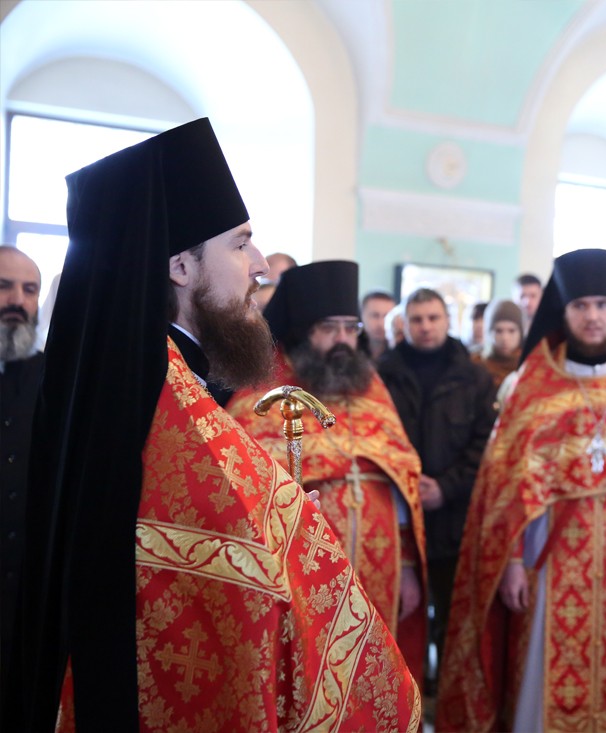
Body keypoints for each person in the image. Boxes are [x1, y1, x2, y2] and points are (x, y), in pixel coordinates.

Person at [13, 119, 419, 731]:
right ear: (180, 266)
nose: (259, 265)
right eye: (240, 243)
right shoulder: (157, 391)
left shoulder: (162, 376)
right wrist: (289, 522)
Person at [437, 249, 606, 732]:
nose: (593, 317)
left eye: (602, 305)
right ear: (563, 311)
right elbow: (505, 488)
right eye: (581, 306)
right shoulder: (533, 384)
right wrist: (510, 562)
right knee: (543, 666)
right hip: (547, 555)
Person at [227, 260, 428, 685]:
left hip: (381, 566)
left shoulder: (370, 387)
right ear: (302, 331)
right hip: (305, 567)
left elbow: (402, 480)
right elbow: (244, 482)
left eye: (350, 328)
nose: (343, 340)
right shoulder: (262, 393)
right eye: (329, 328)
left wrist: (408, 566)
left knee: (375, 674)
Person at [375, 288, 497, 691]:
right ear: (404, 324)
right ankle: (400, 699)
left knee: (451, 620)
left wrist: (445, 488)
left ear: (447, 321)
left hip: (453, 518)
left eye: (433, 318)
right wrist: (408, 486)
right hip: (396, 518)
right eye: (417, 319)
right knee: (396, 617)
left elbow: (485, 446)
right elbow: (374, 439)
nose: (425, 327)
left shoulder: (475, 376)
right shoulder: (380, 375)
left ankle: (445, 701)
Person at [0, 245, 46, 712]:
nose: (17, 300)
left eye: (29, 290)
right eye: (4, 286)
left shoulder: (53, 377)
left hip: (28, 608)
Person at [470, 299, 523, 392]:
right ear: (489, 332)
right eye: (498, 331)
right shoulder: (475, 364)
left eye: (511, 331)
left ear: (520, 333)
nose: (505, 338)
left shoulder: (528, 366)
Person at [358, 289, 396, 360]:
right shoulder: (352, 348)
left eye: (387, 317)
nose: (381, 323)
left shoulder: (401, 351)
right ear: (361, 316)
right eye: (375, 316)